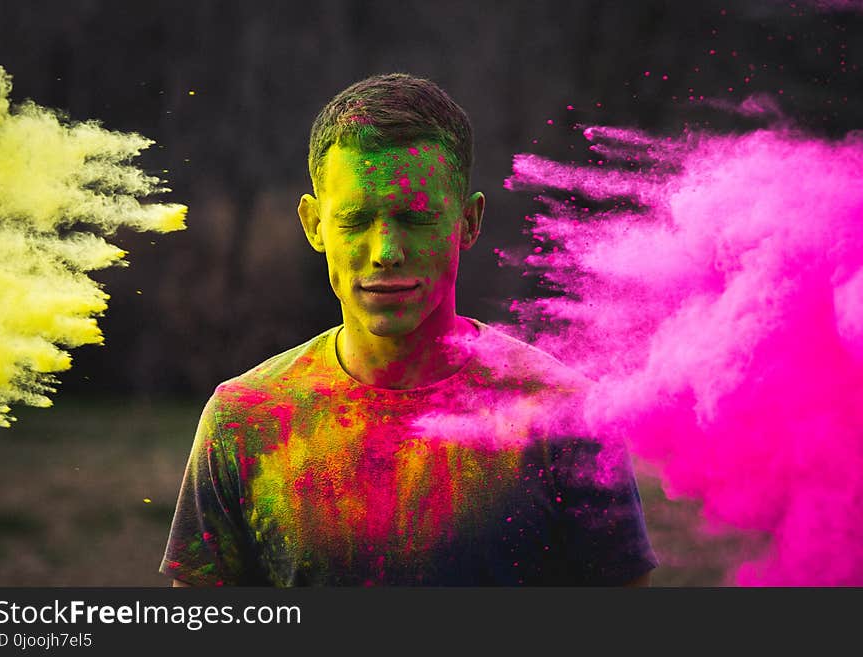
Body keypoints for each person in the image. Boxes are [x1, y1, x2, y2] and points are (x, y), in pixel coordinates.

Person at [160, 73, 658, 586]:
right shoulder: (246, 419)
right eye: (355, 220)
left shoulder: (563, 416)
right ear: (313, 225)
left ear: (468, 221)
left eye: (416, 217)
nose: (386, 252)